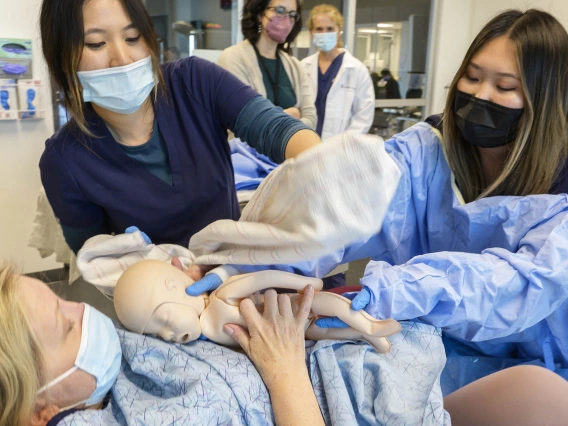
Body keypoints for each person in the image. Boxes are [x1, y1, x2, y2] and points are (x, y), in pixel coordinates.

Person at [192, 9, 568, 376]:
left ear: (545, 101)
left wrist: (386, 293)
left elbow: (519, 287)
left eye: (504, 87)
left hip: (531, 359)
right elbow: (345, 212)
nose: (480, 95)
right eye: (471, 77)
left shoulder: (559, 192)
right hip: (420, 339)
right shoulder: (426, 151)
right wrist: (248, 266)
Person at [3, 264, 568, 426]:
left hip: (357, 376)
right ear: (39, 408)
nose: (85, 311)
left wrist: (182, 280)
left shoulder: (115, 364)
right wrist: (283, 370)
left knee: (539, 393)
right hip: (337, 400)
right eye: (68, 326)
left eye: (67, 300)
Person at [38, 0, 322, 259]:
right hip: (158, 297)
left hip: (238, 269)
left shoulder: (195, 82)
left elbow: (277, 129)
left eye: (133, 37)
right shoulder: (65, 161)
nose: (122, 58)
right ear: (63, 57)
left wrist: (329, 168)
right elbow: (96, 258)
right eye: (96, 44)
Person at [217, 0, 316, 128]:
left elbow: (311, 120)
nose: (287, 20)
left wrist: (271, 121)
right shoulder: (233, 58)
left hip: (291, 148)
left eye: (292, 15)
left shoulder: (295, 66)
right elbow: (244, 123)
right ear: (259, 14)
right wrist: (293, 114)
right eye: (280, 11)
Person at [301, 4, 375, 140]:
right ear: (311, 32)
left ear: (339, 30)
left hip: (340, 148)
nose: (324, 33)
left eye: (330, 29)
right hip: (305, 142)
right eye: (319, 29)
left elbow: (363, 117)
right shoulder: (303, 67)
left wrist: (342, 146)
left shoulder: (357, 70)